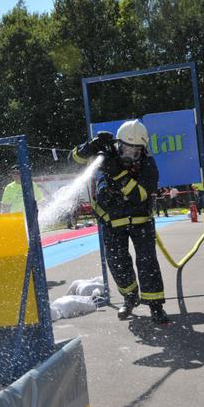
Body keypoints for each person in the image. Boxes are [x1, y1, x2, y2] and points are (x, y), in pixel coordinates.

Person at [71, 119, 169, 324]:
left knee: (147, 262)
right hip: (111, 221)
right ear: (119, 144)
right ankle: (130, 297)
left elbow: (139, 195)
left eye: (135, 151)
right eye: (126, 149)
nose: (130, 154)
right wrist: (90, 146)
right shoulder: (106, 155)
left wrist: (117, 173)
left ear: (142, 149)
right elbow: (73, 159)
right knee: (117, 262)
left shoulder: (148, 164)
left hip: (141, 220)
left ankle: (155, 306)